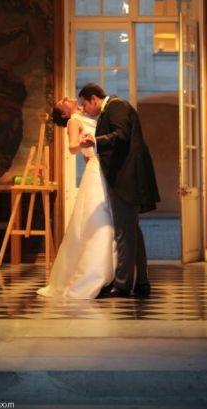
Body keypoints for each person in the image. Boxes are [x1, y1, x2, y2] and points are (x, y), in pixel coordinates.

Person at [78, 83, 160, 298]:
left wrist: (94, 140)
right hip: (127, 176)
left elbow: (121, 135)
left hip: (126, 177)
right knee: (132, 231)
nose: (84, 109)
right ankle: (141, 282)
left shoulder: (116, 106)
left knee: (124, 232)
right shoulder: (114, 107)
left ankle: (123, 285)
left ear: (94, 99)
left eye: (84, 104)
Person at [37, 97, 116, 299]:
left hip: (102, 166)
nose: (67, 98)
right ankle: (94, 273)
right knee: (99, 219)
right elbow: (72, 147)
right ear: (64, 113)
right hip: (96, 169)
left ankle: (111, 273)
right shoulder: (73, 121)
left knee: (107, 217)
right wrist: (84, 144)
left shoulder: (88, 116)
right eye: (63, 101)